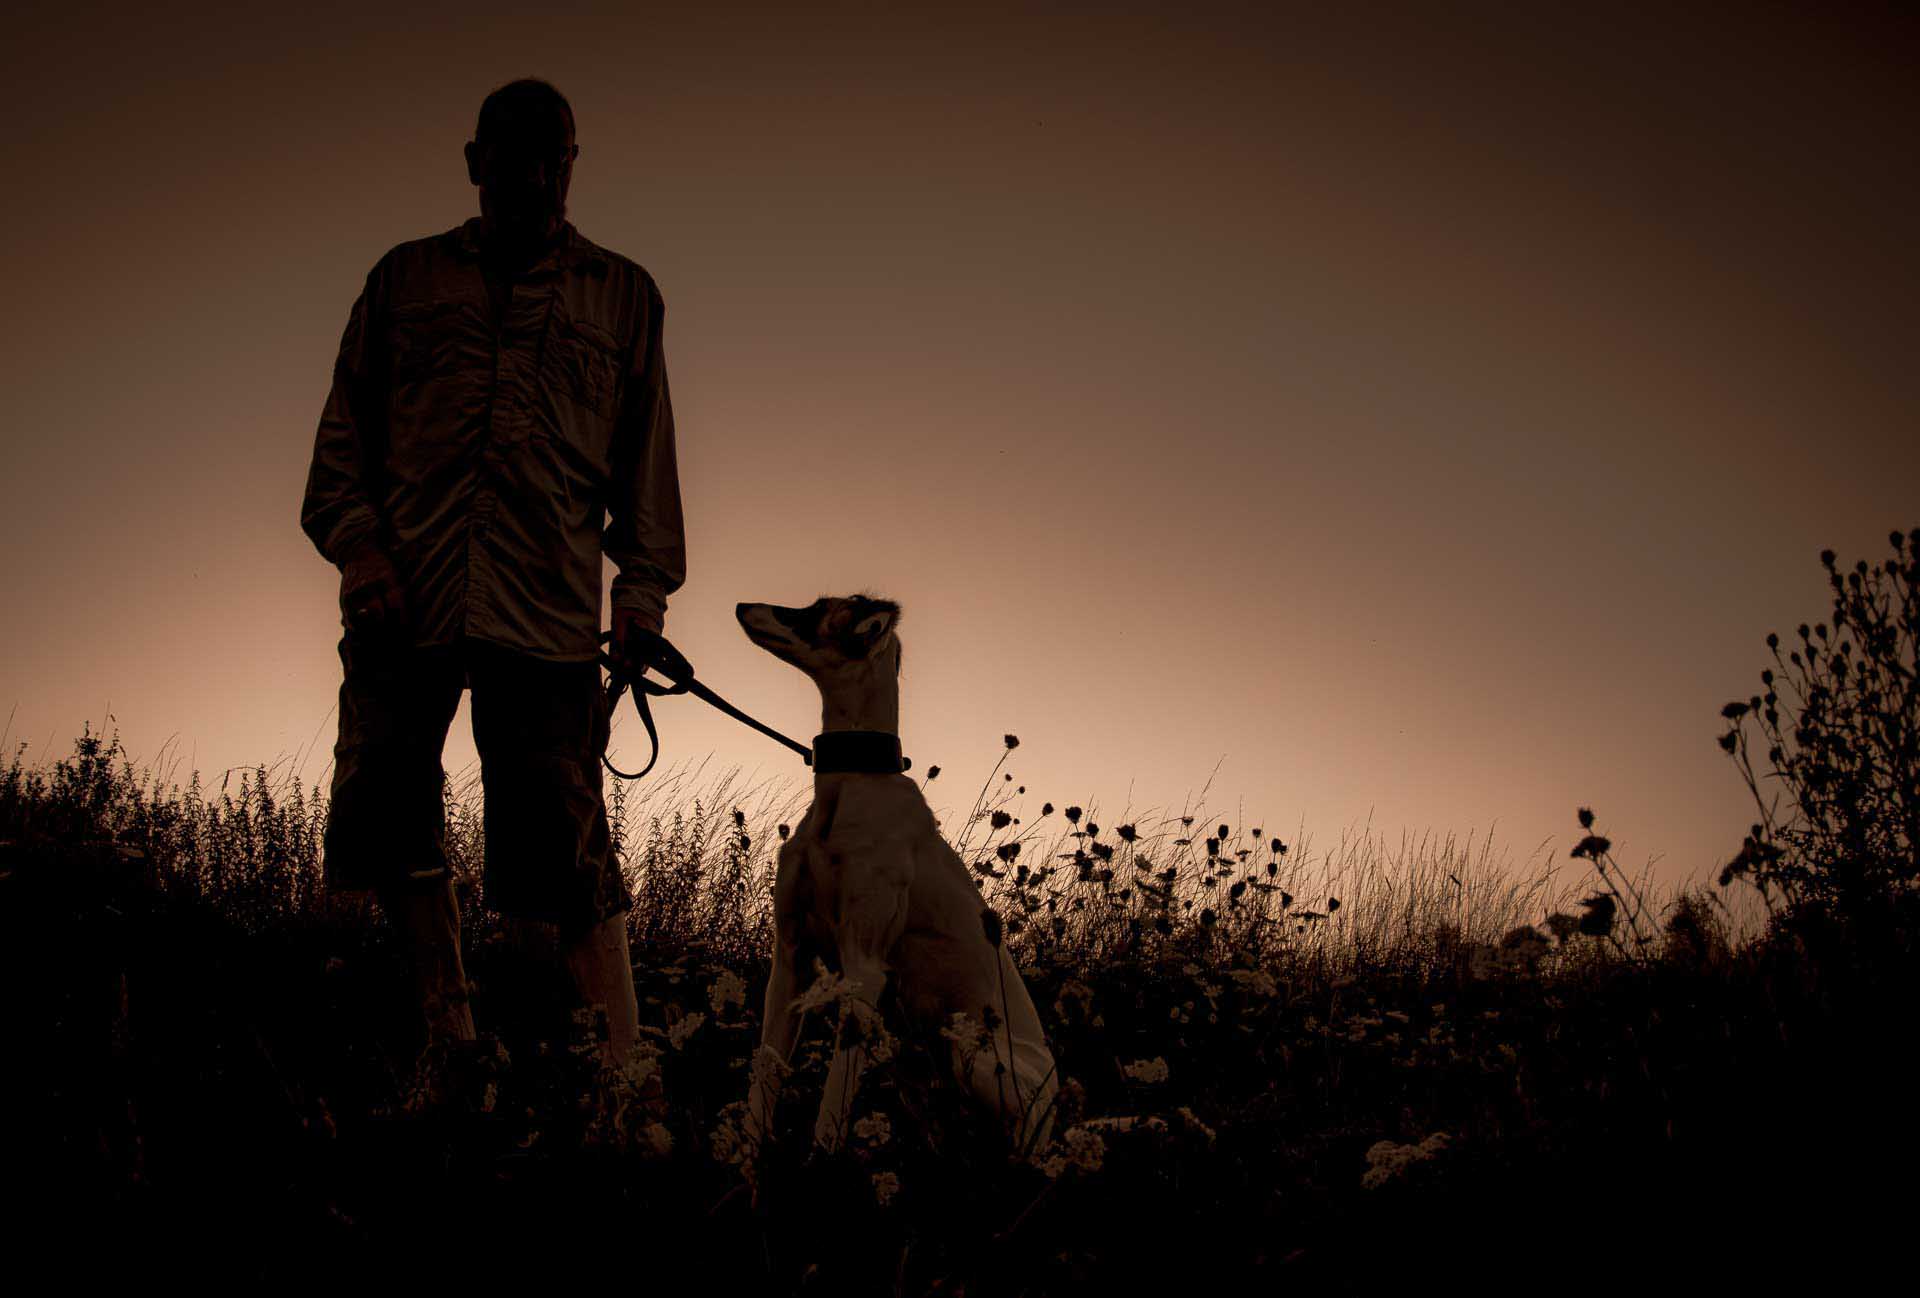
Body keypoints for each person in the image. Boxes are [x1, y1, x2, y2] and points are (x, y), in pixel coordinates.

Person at [299, 77, 685, 1069]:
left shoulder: (623, 294)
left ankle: (623, 1073)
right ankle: (453, 1042)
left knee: (563, 845)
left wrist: (640, 595)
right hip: (403, 600)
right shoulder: (403, 281)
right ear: (475, 162)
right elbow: (341, 446)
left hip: (549, 613)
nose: (532, 174)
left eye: (552, 155)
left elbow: (646, 467)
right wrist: (362, 550)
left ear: (572, 164)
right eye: (511, 155)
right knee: (388, 806)